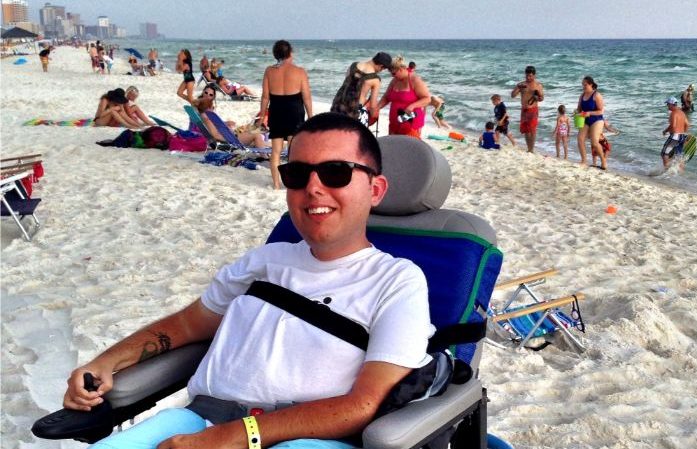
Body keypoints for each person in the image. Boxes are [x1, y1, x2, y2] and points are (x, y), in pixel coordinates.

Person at [61, 112, 433, 449]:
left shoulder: (397, 281)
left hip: (305, 439)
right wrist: (107, 362)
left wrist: (237, 436)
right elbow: (187, 324)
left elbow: (362, 405)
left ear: (376, 189)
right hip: (199, 423)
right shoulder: (265, 260)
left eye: (336, 172)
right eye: (298, 174)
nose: (314, 188)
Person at [258, 40, 313, 190]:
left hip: (276, 110)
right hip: (295, 111)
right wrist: (311, 116)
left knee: (275, 151)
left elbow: (265, 97)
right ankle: (291, 183)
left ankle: (276, 184)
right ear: (290, 53)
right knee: (293, 151)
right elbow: (307, 97)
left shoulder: (269, 71)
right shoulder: (300, 71)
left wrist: (262, 116)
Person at [330, 52, 392, 125]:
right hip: (354, 112)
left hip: (337, 106)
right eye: (382, 69)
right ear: (381, 66)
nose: (380, 71)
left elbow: (348, 88)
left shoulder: (353, 66)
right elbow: (372, 106)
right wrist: (374, 114)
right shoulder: (375, 80)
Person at [377, 56, 431, 139]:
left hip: (411, 122)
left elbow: (427, 99)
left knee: (409, 149)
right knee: (393, 147)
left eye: (394, 73)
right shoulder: (394, 80)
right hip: (394, 122)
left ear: (401, 69)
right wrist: (377, 108)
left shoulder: (414, 80)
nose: (392, 76)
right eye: (391, 73)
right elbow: (386, 97)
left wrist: (412, 106)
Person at [193, 95, 268, 149]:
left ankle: (267, 145)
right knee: (256, 135)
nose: (213, 108)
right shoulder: (208, 119)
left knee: (251, 130)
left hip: (231, 136)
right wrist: (228, 136)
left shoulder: (204, 117)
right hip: (231, 140)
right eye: (212, 107)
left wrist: (226, 126)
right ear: (209, 107)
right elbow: (216, 135)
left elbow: (215, 130)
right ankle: (264, 156)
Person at [511, 66, 544, 153]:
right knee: (526, 130)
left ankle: (531, 149)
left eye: (530, 76)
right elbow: (513, 95)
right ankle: (529, 148)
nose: (528, 78)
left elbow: (542, 98)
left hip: (533, 109)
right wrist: (518, 87)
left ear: (534, 75)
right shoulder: (522, 84)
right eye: (527, 76)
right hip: (524, 110)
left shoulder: (538, 85)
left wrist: (537, 97)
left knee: (532, 130)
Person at [576, 76, 606, 169]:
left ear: (591, 84)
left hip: (597, 120)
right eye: (582, 85)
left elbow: (601, 111)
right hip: (585, 120)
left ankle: (603, 161)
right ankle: (584, 161)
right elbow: (579, 109)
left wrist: (589, 113)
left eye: (585, 85)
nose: (583, 87)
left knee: (594, 143)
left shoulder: (597, 95)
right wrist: (577, 113)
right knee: (580, 139)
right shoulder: (582, 95)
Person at [661, 97, 691, 170]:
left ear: (672, 104)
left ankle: (667, 171)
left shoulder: (673, 113)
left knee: (664, 153)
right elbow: (687, 124)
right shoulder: (682, 113)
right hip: (681, 136)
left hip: (675, 136)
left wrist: (665, 131)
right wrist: (683, 134)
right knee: (679, 156)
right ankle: (680, 173)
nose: (667, 106)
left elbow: (673, 126)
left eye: (668, 104)